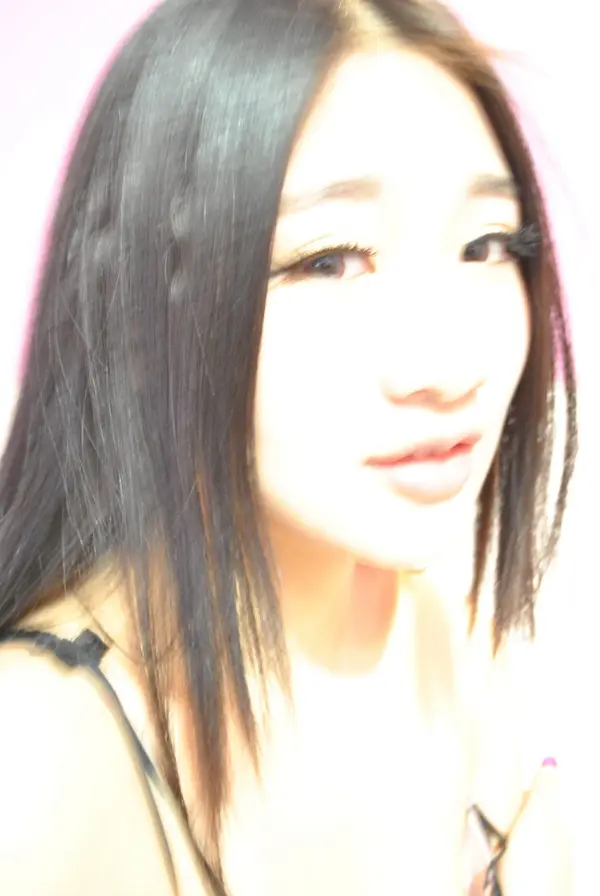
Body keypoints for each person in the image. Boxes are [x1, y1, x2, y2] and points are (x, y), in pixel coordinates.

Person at [0, 0, 576, 893]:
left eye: (488, 243)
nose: (448, 367)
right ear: (145, 306)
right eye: (329, 259)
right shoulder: (41, 754)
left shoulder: (473, 660)